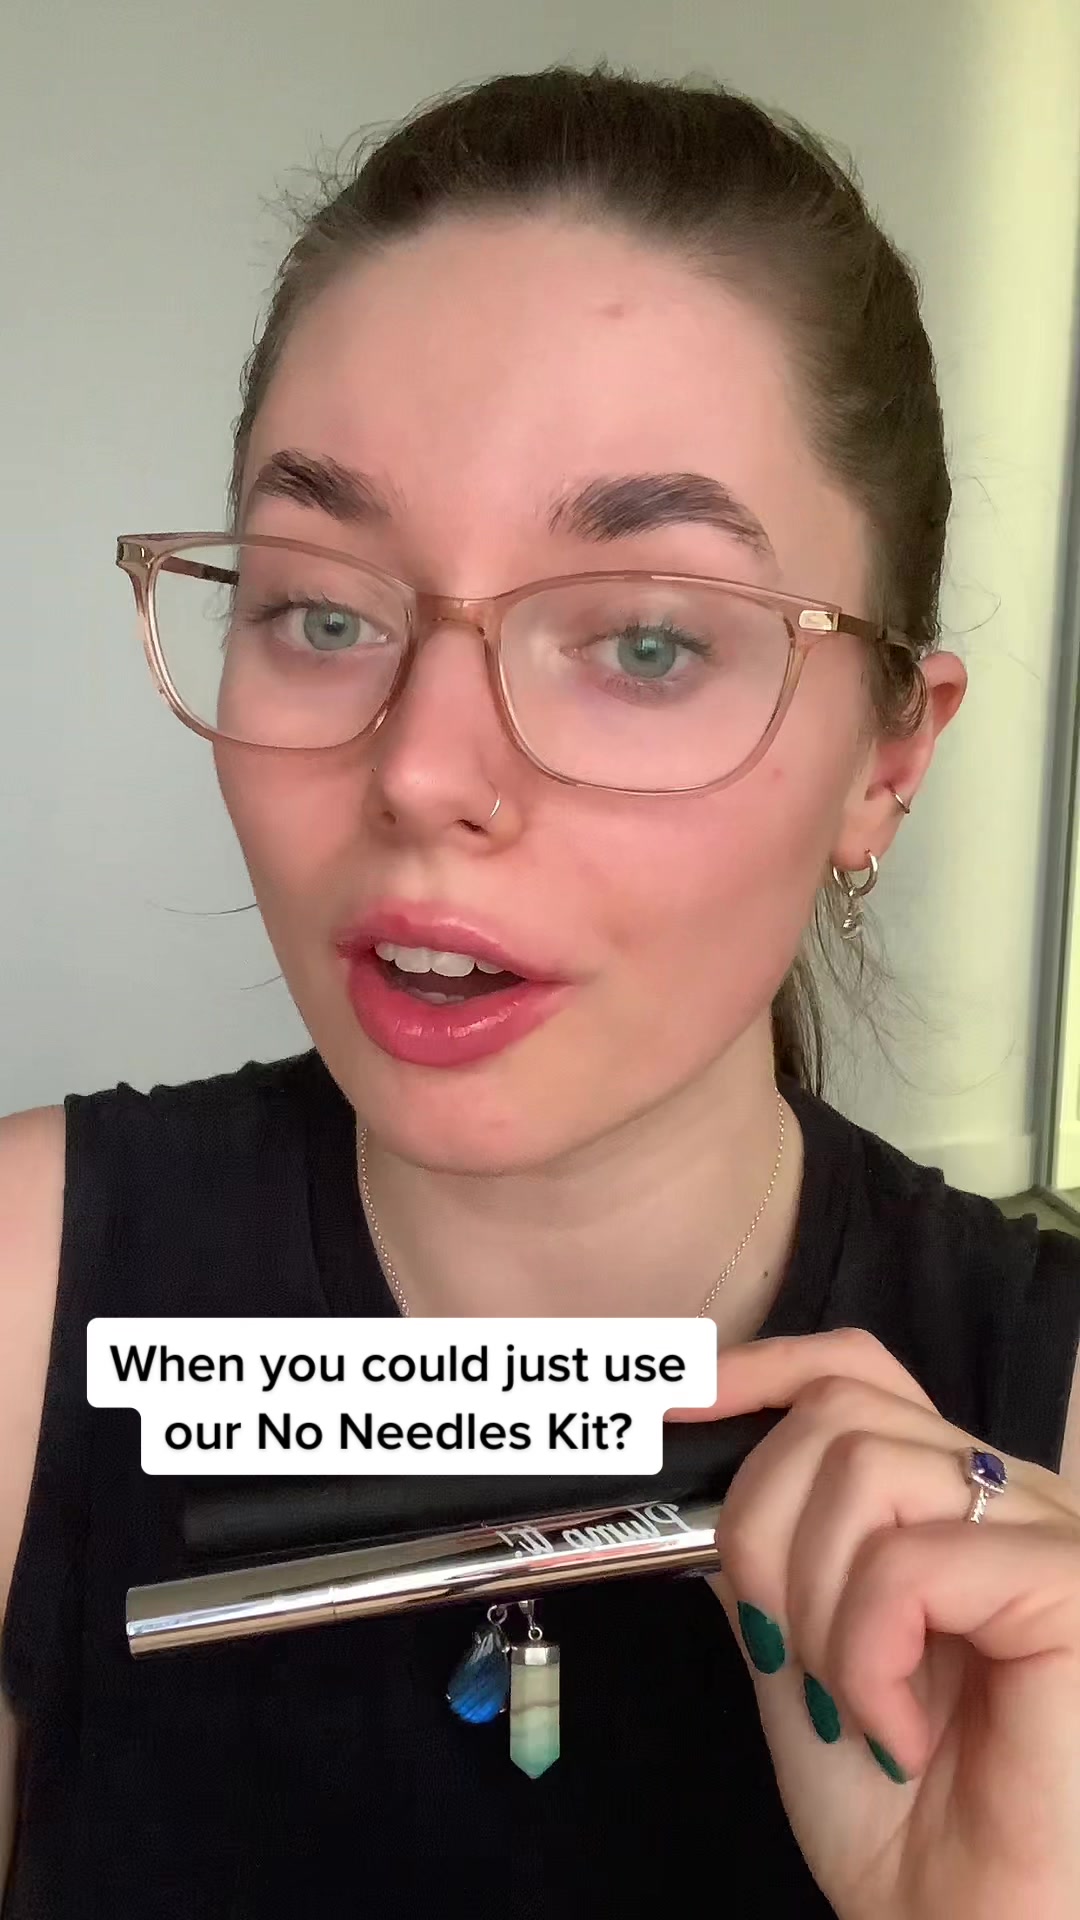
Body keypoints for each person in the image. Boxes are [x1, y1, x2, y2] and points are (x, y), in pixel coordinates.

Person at [1, 60, 1079, 1919]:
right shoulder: (25, 1292)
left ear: (888, 761)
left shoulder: (1052, 1424)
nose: (422, 770)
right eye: (323, 610)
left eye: (645, 641)